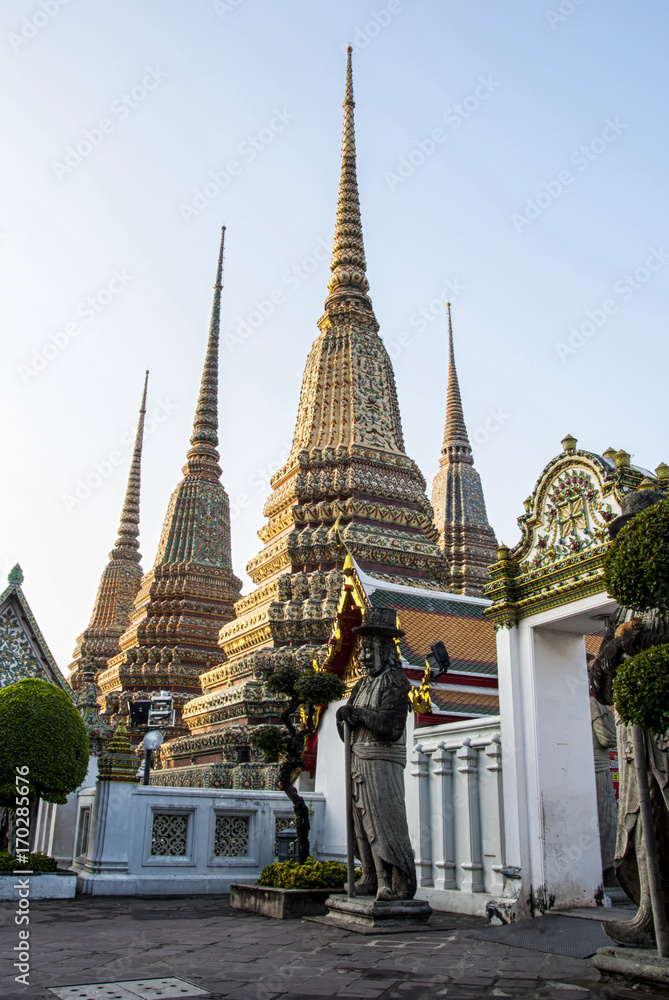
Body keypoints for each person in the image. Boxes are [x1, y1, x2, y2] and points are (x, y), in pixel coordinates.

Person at [590, 488, 669, 947]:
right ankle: (649, 915)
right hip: (633, 737)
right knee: (642, 827)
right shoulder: (622, 611)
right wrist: (619, 646)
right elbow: (599, 682)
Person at [336, 607, 417, 901]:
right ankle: (369, 875)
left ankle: (391, 881)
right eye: (361, 651)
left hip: (380, 765)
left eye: (369, 651)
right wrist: (343, 717)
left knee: (381, 824)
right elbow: (350, 728)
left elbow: (390, 728)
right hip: (358, 760)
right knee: (359, 822)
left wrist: (357, 713)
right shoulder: (362, 684)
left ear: (385, 650)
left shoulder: (395, 682)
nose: (362, 657)